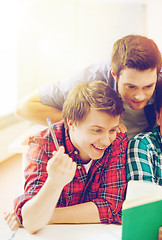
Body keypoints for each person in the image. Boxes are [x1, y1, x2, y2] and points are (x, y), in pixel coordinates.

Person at [4, 81, 128, 233]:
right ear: (72, 123)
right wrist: (54, 183)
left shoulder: (118, 141)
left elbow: (112, 207)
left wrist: (45, 214)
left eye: (112, 130)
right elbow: (32, 223)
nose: (106, 140)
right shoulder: (43, 145)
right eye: (97, 130)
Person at [15, 34, 162, 139]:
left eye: (148, 86)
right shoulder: (91, 79)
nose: (139, 96)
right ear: (114, 75)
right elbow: (24, 107)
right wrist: (91, 122)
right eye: (130, 87)